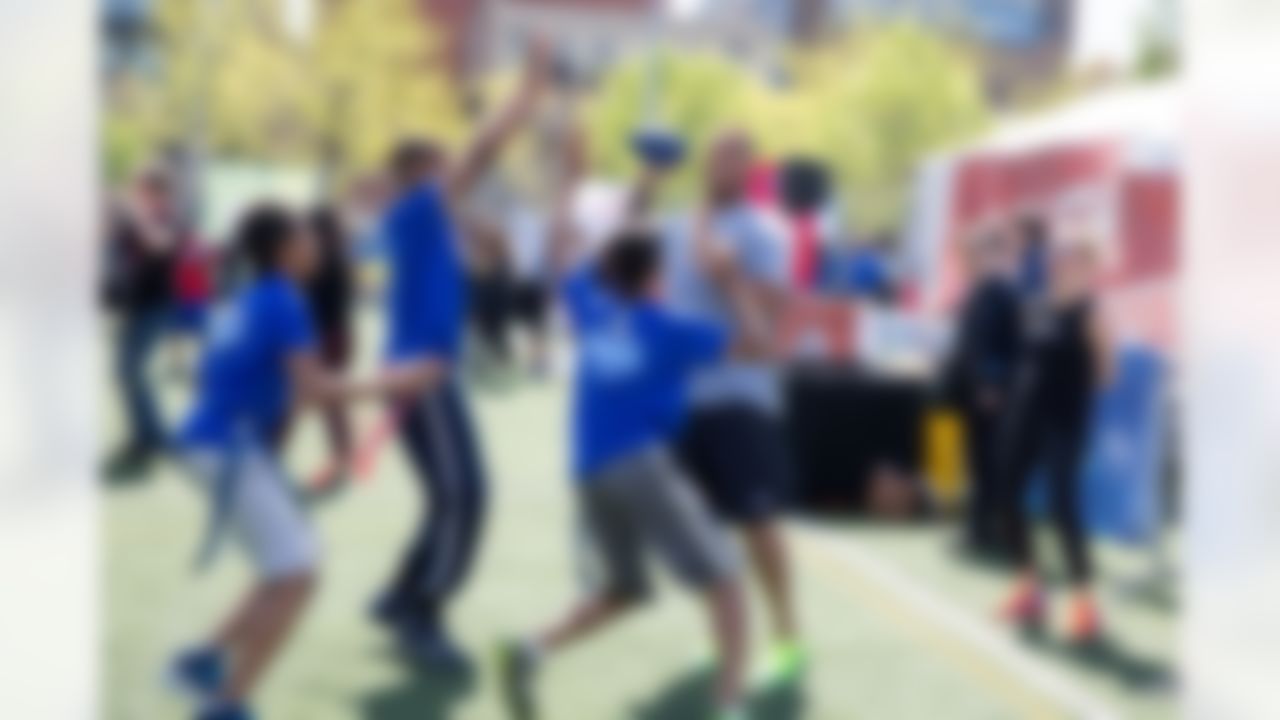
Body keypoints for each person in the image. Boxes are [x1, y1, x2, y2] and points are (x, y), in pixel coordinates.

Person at [499, 212, 762, 720]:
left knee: (624, 590)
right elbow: (757, 344)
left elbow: (565, 261)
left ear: (610, 272)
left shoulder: (590, 308)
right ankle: (731, 706)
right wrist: (731, 279)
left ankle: (531, 649)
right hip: (642, 462)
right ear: (655, 276)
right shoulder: (670, 326)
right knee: (727, 580)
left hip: (588, 469)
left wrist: (626, 202)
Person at [369, 40, 551, 672]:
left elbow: (492, 260)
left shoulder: (430, 220)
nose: (456, 175)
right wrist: (525, 96)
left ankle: (399, 596)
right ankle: (424, 611)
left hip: (424, 375)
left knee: (449, 495)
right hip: (421, 377)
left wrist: (488, 241)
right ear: (420, 175)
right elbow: (483, 150)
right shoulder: (417, 208)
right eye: (441, 168)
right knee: (466, 495)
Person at [166, 204, 387, 720]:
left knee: (289, 566)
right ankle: (225, 703)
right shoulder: (285, 301)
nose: (317, 243)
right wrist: (398, 381)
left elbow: (251, 383)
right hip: (225, 448)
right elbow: (313, 388)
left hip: (215, 443)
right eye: (307, 234)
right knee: (297, 573)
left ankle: (202, 663)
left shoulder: (255, 297)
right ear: (285, 249)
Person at [665, 130, 805, 683]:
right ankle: (723, 636)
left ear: (748, 168)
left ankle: (788, 636)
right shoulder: (681, 223)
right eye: (715, 154)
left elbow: (779, 303)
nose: (721, 164)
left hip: (741, 394)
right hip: (685, 397)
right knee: (701, 527)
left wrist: (731, 275)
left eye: (734, 157)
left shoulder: (763, 228)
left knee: (758, 520)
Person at [997, 232, 1113, 645]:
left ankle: (1084, 604)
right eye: (1055, 256)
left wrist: (1069, 392)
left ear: (1085, 265)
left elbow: (1105, 375)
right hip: (1025, 417)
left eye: (1067, 256)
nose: (1057, 262)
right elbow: (1026, 361)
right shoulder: (1035, 307)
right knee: (1006, 494)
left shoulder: (1091, 314)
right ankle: (1030, 588)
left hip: (1064, 422)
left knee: (1064, 508)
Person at [947, 223, 1022, 559]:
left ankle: (989, 531)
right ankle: (979, 528)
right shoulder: (982, 289)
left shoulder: (1000, 290)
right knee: (978, 462)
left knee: (989, 463)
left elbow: (1002, 346)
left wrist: (991, 385)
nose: (967, 260)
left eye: (973, 253)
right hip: (976, 390)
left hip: (991, 394)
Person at [103, 167, 180, 478]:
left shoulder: (169, 217)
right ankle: (147, 436)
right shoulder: (135, 218)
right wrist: (110, 211)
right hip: (134, 305)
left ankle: (153, 438)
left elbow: (158, 245)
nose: (136, 195)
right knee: (125, 373)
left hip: (155, 306)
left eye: (142, 190)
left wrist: (136, 216)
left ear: (158, 193)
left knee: (130, 371)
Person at [295, 205, 357, 493]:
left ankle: (341, 462)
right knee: (332, 406)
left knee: (327, 405)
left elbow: (310, 300)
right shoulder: (338, 257)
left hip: (325, 338)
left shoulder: (323, 260)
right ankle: (344, 459)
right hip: (336, 336)